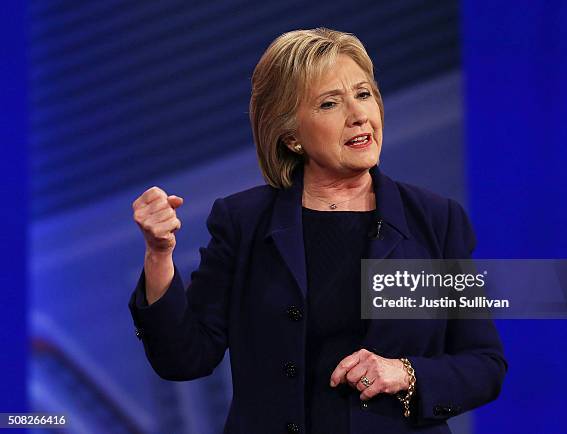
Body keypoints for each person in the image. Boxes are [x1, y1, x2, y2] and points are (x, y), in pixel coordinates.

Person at [129, 28, 506, 434]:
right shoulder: (244, 222)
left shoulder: (434, 220)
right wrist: (158, 253)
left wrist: (406, 373)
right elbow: (185, 358)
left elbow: (484, 363)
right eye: (330, 103)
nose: (359, 114)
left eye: (364, 95)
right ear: (291, 136)